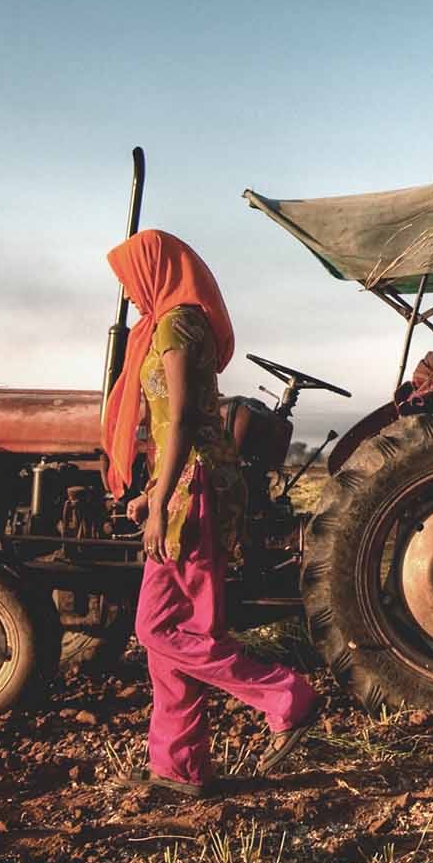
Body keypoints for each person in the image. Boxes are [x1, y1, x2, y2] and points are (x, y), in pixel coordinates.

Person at [102, 229, 320, 799]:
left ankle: (284, 695)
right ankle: (180, 766)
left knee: (154, 627)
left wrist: (160, 502)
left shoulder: (176, 324)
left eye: (128, 279)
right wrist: (152, 491)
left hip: (192, 490)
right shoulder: (177, 321)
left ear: (154, 270)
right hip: (186, 483)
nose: (127, 294)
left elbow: (178, 422)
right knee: (181, 634)